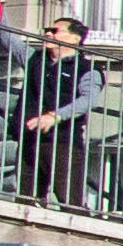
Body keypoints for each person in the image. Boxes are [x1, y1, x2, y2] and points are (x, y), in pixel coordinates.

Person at [11, 11, 93, 208]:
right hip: (30, 139)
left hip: (63, 141)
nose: (48, 34)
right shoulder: (35, 58)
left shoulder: (87, 68)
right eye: (47, 30)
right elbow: (8, 39)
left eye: (55, 31)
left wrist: (55, 117)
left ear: (75, 39)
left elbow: (88, 100)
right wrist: (0, 2)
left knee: (69, 201)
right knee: (25, 200)